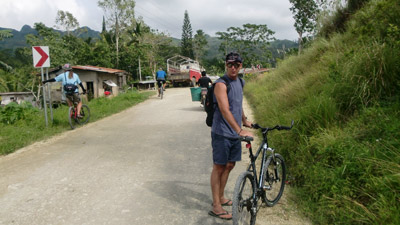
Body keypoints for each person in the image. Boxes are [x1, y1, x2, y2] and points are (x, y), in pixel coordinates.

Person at [208, 52, 254, 220]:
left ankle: (221, 197)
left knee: (229, 165)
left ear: (241, 66)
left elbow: (237, 104)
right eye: (230, 64)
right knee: (219, 167)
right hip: (222, 133)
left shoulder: (240, 82)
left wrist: (244, 120)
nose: (233, 67)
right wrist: (239, 130)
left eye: (237, 65)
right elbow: (225, 109)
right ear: (226, 65)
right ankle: (216, 206)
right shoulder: (221, 83)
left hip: (234, 133)